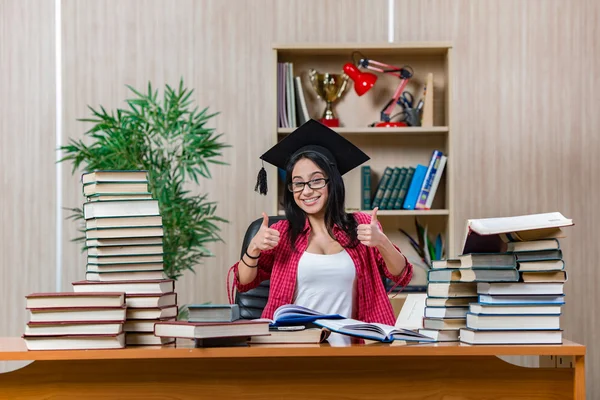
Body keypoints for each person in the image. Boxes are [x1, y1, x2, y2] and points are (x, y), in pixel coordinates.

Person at [228, 119, 413, 345]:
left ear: (332, 183)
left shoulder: (360, 226)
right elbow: (244, 282)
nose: (306, 191)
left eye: (316, 181)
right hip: (293, 348)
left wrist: (382, 242)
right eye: (298, 183)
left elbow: (401, 274)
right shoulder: (283, 233)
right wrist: (254, 249)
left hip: (352, 351)